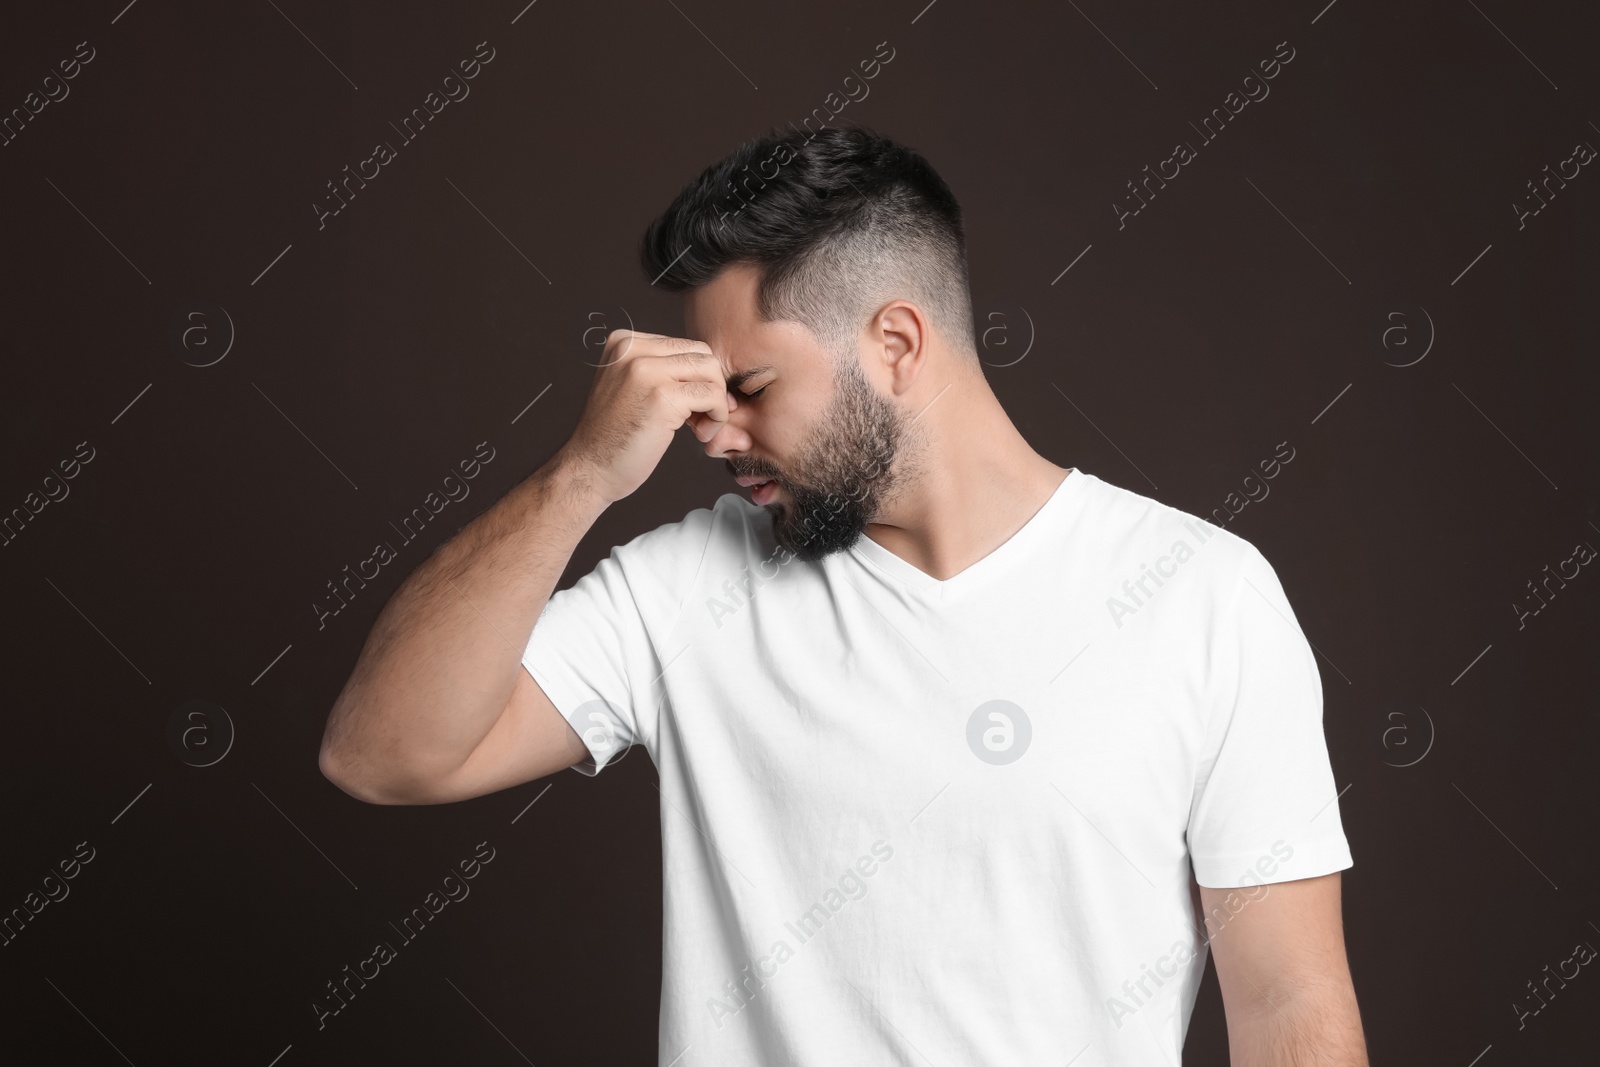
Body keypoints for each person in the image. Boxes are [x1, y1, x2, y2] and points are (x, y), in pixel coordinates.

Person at [319, 123, 1368, 1065]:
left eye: (750, 388)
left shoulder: (1201, 596)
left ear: (897, 343)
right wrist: (580, 473)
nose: (710, 432)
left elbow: (1287, 1000)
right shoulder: (686, 588)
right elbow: (383, 754)